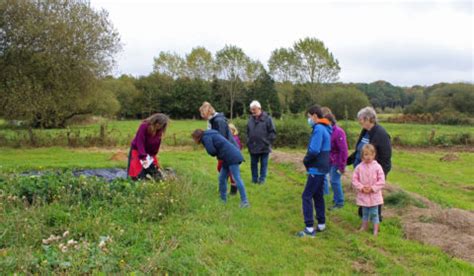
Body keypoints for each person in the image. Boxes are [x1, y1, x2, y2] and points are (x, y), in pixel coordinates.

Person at [347, 106, 392, 221]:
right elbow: (360, 151)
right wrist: (346, 161)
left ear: (368, 119)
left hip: (374, 173)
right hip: (362, 171)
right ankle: (364, 217)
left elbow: (386, 157)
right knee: (363, 196)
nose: (359, 121)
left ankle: (376, 219)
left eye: (360, 119)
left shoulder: (380, 134)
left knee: (374, 196)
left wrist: (379, 174)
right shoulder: (365, 131)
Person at [297, 105, 332, 238]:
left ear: (315, 116)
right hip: (323, 167)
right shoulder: (326, 128)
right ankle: (321, 224)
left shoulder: (318, 128)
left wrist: (306, 160)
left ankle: (309, 228)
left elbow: (314, 150)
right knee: (318, 196)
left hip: (316, 168)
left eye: (309, 116)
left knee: (306, 196)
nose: (308, 119)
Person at [192, 129, 249, 208]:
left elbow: (211, 151)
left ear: (197, 137)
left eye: (194, 139)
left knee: (237, 178)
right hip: (226, 157)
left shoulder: (205, 137)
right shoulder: (210, 134)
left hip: (232, 157)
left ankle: (245, 202)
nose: (194, 141)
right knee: (222, 178)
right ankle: (223, 200)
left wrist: (214, 152)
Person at [199, 102, 239, 195]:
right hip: (224, 149)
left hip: (228, 149)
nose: (202, 116)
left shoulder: (218, 121)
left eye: (203, 114)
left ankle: (233, 189)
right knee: (222, 168)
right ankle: (224, 189)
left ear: (208, 112)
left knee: (227, 169)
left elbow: (221, 138)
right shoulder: (212, 120)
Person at [352, 144, 385, 236]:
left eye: (370, 154)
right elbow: (354, 179)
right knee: (364, 212)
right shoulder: (359, 167)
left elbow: (382, 181)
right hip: (363, 195)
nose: (368, 157)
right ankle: (364, 227)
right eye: (366, 154)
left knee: (374, 213)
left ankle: (375, 230)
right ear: (362, 155)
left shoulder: (377, 167)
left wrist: (372, 188)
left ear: (374, 155)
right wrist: (361, 187)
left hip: (374, 196)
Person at [127, 113, 169, 180]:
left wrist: (152, 155)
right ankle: (134, 181)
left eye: (161, 125)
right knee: (135, 171)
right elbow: (140, 142)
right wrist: (143, 156)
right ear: (154, 121)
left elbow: (157, 143)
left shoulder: (159, 131)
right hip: (138, 150)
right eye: (158, 123)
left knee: (154, 172)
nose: (159, 126)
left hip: (149, 152)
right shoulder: (144, 126)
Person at [246, 100, 276, 184]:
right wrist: (248, 141)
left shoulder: (268, 119)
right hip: (253, 146)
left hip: (264, 147)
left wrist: (267, 142)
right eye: (251, 109)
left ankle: (262, 180)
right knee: (253, 164)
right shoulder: (250, 119)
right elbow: (247, 131)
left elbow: (272, 132)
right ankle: (254, 179)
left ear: (259, 108)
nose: (252, 111)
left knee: (264, 164)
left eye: (254, 109)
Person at [323, 112, 348, 210]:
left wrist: (342, 165)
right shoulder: (328, 131)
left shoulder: (338, 132)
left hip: (337, 161)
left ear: (330, 121)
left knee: (335, 180)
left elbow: (344, 150)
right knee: (332, 180)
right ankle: (336, 198)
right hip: (330, 160)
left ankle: (340, 203)